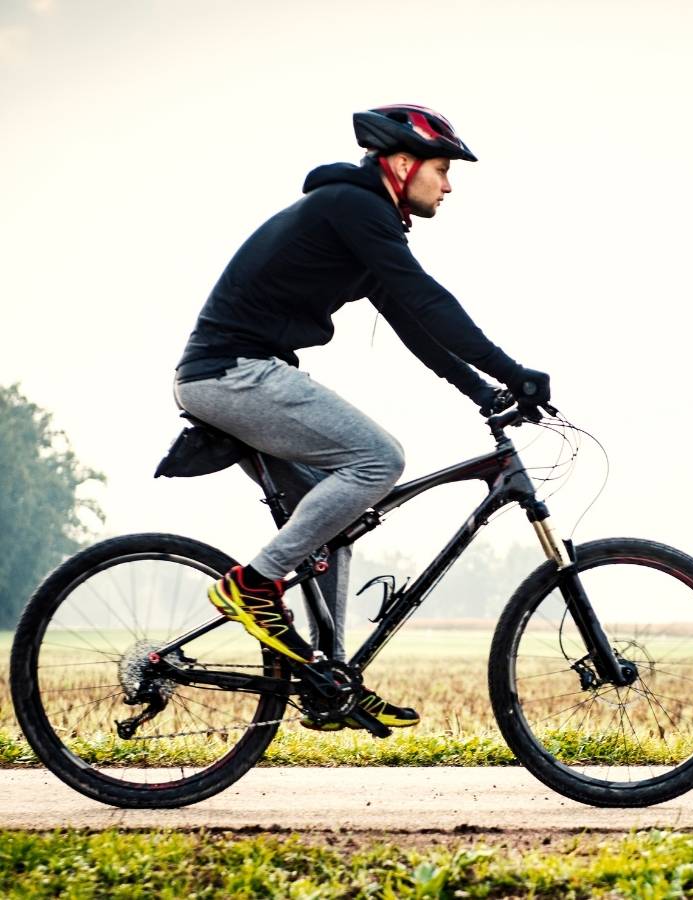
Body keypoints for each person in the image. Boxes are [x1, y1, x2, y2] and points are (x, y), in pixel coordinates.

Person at [173, 104, 550, 731]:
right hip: (230, 372)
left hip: (239, 374)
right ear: (403, 164)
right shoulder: (355, 209)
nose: (449, 186)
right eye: (442, 170)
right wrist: (514, 370)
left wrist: (483, 391)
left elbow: (417, 326)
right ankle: (254, 584)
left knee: (334, 518)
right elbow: (431, 299)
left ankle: (331, 678)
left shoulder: (362, 221)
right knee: (379, 459)